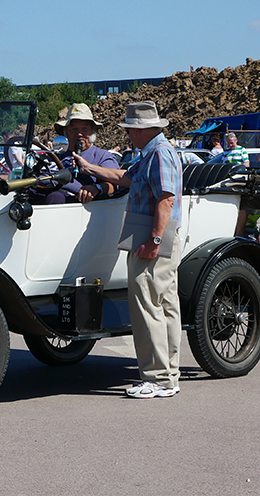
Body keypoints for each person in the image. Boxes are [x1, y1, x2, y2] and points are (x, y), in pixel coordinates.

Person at [74, 100, 183, 399]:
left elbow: (166, 200)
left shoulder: (158, 155)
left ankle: (157, 378)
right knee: (165, 306)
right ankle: (169, 375)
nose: (129, 135)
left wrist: (154, 240)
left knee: (147, 306)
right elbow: (125, 177)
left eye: (132, 130)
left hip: (151, 236)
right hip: (156, 235)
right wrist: (90, 168)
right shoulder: (153, 153)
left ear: (145, 130)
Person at [35, 103, 118, 204]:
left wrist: (96, 188)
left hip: (75, 205)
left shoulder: (103, 156)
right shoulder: (55, 156)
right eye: (73, 129)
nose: (79, 134)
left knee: (55, 197)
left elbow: (114, 184)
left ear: (92, 131)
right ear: (66, 132)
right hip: (41, 197)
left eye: (84, 129)